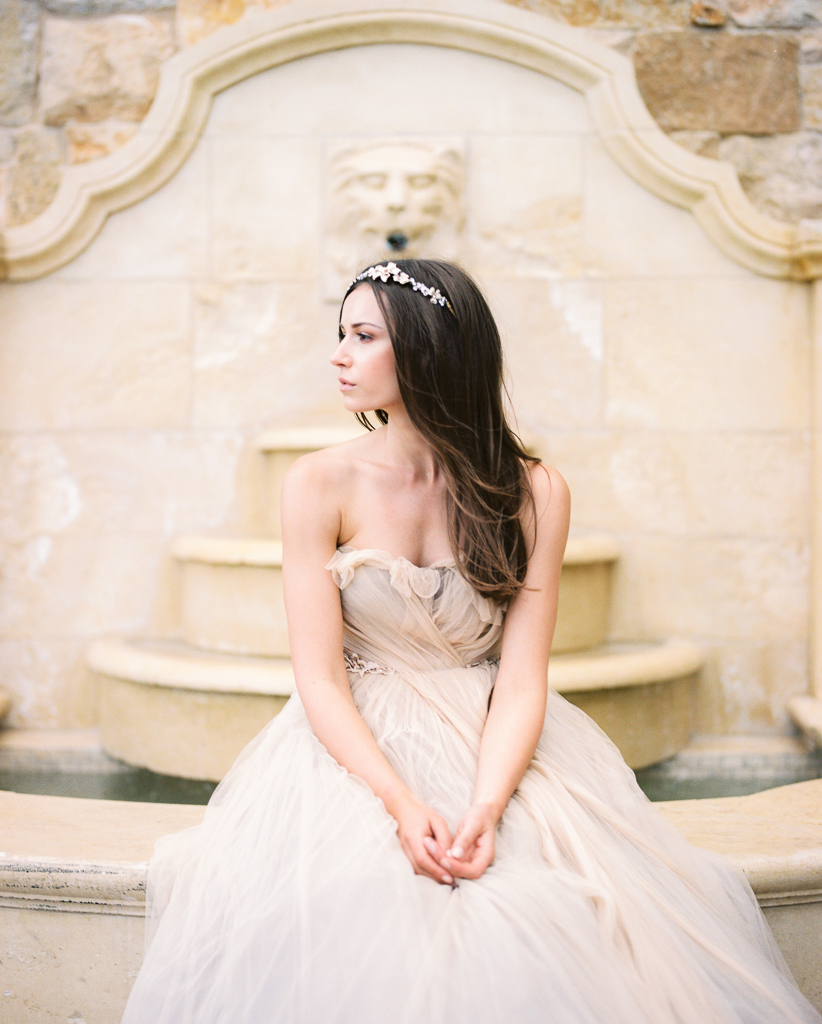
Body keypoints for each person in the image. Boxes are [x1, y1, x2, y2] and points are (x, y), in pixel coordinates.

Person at [122, 259, 821, 1024]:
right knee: (361, 897)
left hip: (496, 732)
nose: (339, 356)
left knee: (550, 899)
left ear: (428, 350)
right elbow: (319, 679)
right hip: (354, 745)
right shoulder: (318, 484)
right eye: (341, 335)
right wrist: (398, 801)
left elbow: (522, 680)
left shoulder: (535, 491)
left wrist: (487, 806)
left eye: (362, 336)